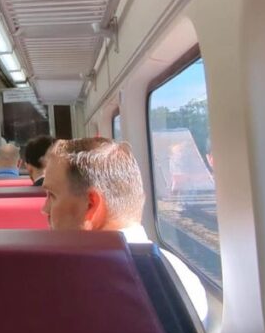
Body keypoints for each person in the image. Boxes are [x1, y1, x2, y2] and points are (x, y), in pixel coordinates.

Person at [41, 137, 209, 321]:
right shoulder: (181, 279)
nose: (44, 209)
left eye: (52, 195)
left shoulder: (63, 285)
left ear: (91, 204)